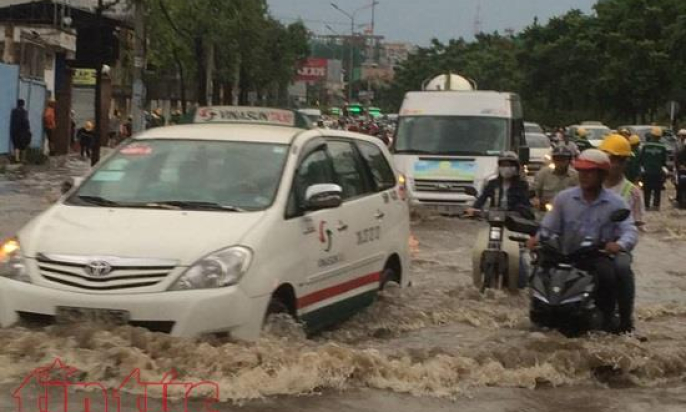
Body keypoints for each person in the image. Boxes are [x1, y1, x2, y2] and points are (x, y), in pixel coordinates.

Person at [528, 149, 639, 333]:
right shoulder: (564, 198)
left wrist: (618, 244)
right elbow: (549, 226)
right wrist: (537, 238)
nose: (584, 176)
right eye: (581, 171)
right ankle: (541, 312)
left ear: (602, 175)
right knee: (540, 269)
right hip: (565, 253)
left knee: (617, 271)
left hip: (597, 256)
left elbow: (630, 230)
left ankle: (618, 322)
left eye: (590, 172)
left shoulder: (616, 202)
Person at [600, 134, 645, 228]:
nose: (615, 165)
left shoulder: (633, 193)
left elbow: (636, 227)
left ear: (625, 162)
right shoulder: (590, 187)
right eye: (611, 159)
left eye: (621, 160)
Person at [532, 146, 579, 211]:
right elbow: (534, 193)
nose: (560, 163)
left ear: (569, 161)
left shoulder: (575, 176)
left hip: (569, 210)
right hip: (546, 211)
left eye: (563, 160)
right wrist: (537, 201)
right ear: (553, 160)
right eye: (557, 159)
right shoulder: (543, 174)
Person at [639, 127, 668, 211]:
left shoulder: (645, 146)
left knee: (647, 189)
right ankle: (656, 205)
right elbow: (664, 161)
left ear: (652, 135)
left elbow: (641, 159)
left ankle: (647, 205)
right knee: (657, 189)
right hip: (658, 171)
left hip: (647, 171)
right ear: (660, 136)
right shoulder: (662, 147)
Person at [10, 99, 32, 163]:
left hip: (15, 131)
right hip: (23, 131)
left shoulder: (14, 111)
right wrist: (28, 129)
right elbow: (26, 122)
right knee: (23, 145)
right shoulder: (24, 112)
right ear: (23, 104)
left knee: (16, 145)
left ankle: (17, 159)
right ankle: (23, 159)